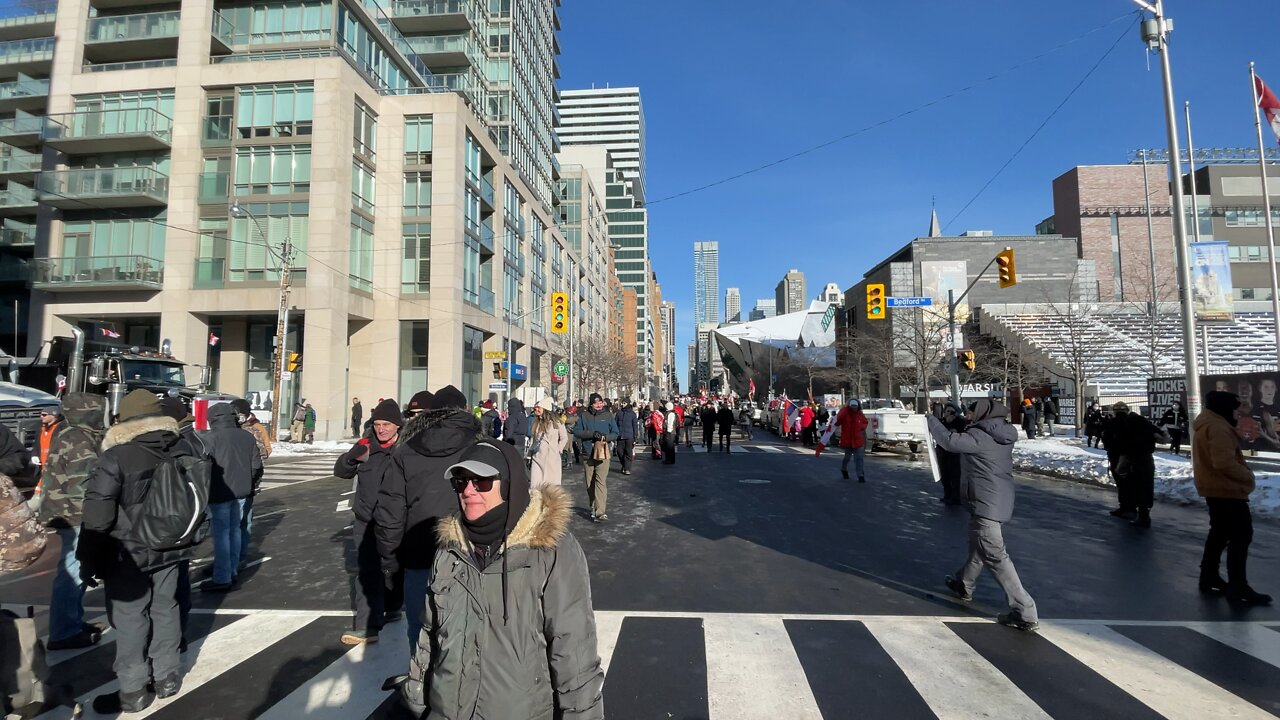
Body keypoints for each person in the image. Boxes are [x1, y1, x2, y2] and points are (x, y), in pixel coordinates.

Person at [399, 440, 604, 718]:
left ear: (508, 485)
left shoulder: (550, 551)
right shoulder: (449, 550)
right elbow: (429, 637)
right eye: (461, 482)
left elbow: (574, 650)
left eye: (481, 482)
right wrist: (415, 702)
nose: (468, 491)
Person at [78, 390, 202, 712]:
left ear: (125, 418)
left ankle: (133, 692)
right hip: (173, 544)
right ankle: (167, 676)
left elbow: (98, 513)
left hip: (128, 551)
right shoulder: (183, 446)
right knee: (167, 607)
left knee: (131, 616)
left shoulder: (117, 456)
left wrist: (88, 558)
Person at [376, 385, 478, 651]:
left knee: (418, 629)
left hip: (418, 553)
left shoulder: (406, 450)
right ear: (465, 410)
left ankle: (420, 684)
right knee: (465, 630)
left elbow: (390, 513)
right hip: (469, 553)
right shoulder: (480, 447)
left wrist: (390, 562)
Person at [929, 399, 1039, 633]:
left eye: (970, 411)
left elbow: (949, 442)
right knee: (979, 547)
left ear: (982, 414)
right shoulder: (999, 433)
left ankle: (1024, 610)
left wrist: (930, 421)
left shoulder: (981, 436)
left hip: (987, 503)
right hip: (995, 500)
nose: (967, 415)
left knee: (994, 555)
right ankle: (963, 584)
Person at [37, 393, 108, 650]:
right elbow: (85, 484)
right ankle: (64, 632)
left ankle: (72, 622)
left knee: (75, 571)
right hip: (75, 514)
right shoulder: (80, 438)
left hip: (66, 511)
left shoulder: (69, 432)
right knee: (73, 572)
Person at [335, 398, 404, 645]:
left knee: (394, 567)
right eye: (377, 424)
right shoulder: (366, 445)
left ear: (397, 425)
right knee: (367, 570)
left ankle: (393, 607)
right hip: (366, 520)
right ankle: (367, 626)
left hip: (395, 521)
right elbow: (341, 472)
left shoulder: (406, 449)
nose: (381, 429)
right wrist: (350, 458)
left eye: (386, 424)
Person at [1194, 391, 1271, 605]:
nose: (1237, 413)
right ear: (1224, 408)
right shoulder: (1218, 427)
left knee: (1218, 534)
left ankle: (1209, 576)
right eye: (1234, 408)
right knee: (1241, 536)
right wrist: (1247, 477)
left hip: (1214, 487)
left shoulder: (1207, 423)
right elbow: (1223, 462)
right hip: (1226, 489)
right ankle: (1238, 586)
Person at [199, 402, 263, 592]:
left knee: (221, 534)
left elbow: (202, 468)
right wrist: (250, 482)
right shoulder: (246, 436)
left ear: (212, 420)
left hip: (219, 491)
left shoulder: (209, 439)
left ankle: (222, 576)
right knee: (235, 530)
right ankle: (231, 569)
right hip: (242, 489)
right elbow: (256, 466)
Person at [1106, 402, 1168, 527]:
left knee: (1130, 485)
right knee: (1143, 486)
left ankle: (1135, 511)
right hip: (1144, 458)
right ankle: (1138, 512)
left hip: (1127, 459)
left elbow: (1113, 440)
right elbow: (1162, 437)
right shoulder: (1142, 422)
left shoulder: (1119, 423)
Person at [572, 393, 618, 523]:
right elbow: (576, 431)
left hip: (603, 452)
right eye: (596, 403)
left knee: (600, 481)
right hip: (588, 452)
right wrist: (591, 434)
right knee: (589, 482)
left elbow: (615, 433)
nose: (599, 405)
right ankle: (593, 506)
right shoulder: (584, 415)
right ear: (591, 404)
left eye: (600, 402)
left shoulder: (608, 415)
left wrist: (605, 437)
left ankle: (600, 512)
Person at [529, 398, 569, 488]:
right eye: (535, 408)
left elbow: (564, 437)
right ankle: (537, 501)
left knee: (551, 487)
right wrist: (529, 453)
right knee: (536, 486)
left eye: (538, 408)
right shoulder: (536, 422)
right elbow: (534, 439)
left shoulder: (557, 422)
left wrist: (558, 449)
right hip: (538, 457)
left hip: (552, 457)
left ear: (545, 408)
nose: (536, 410)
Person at [936, 403, 965, 505]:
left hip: (954, 452)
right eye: (947, 411)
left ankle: (956, 496)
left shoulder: (960, 421)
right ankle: (947, 494)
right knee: (945, 474)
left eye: (951, 411)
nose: (948, 413)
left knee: (955, 474)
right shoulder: (941, 422)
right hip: (942, 450)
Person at [834, 398, 868, 482]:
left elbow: (865, 422)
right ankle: (844, 469)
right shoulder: (845, 413)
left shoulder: (860, 414)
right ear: (849, 406)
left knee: (859, 458)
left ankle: (860, 475)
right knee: (847, 458)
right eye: (852, 406)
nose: (854, 408)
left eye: (855, 406)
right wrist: (843, 411)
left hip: (858, 440)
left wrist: (861, 427)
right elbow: (837, 422)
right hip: (848, 440)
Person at [614, 400, 638, 475]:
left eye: (624, 403)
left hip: (629, 436)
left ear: (627, 404)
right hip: (620, 435)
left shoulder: (632, 414)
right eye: (622, 403)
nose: (622, 404)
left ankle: (627, 468)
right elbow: (615, 424)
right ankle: (624, 465)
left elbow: (635, 426)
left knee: (628, 452)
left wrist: (635, 437)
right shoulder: (619, 413)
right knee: (619, 452)